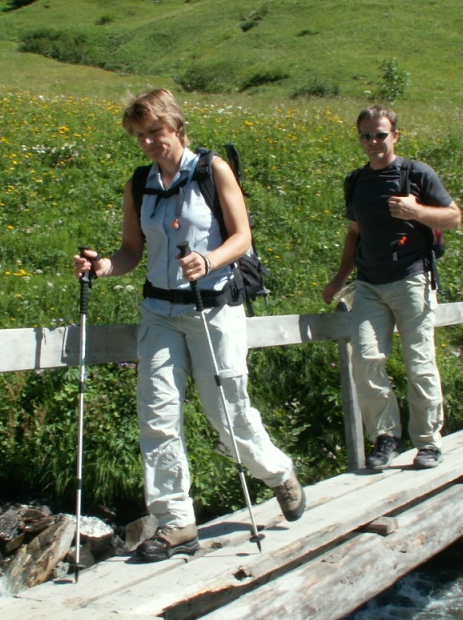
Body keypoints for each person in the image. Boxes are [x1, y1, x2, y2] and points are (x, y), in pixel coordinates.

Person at [74, 88, 305, 562]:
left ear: (177, 127)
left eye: (155, 131)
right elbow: (131, 253)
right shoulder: (139, 183)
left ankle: (278, 473)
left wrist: (209, 259)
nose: (147, 143)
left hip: (213, 308)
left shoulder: (212, 169)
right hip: (158, 311)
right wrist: (101, 267)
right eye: (139, 135)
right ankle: (176, 522)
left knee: (228, 416)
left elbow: (242, 237)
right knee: (156, 416)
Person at [322, 105, 462, 471]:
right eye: (366, 136)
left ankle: (428, 443)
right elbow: (355, 233)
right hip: (368, 284)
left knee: (419, 363)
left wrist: (416, 211)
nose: (373, 142)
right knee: (365, 359)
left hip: (412, 278)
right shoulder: (356, 181)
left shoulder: (417, 174)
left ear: (395, 135)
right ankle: (386, 438)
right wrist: (339, 279)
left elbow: (454, 217)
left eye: (380, 134)